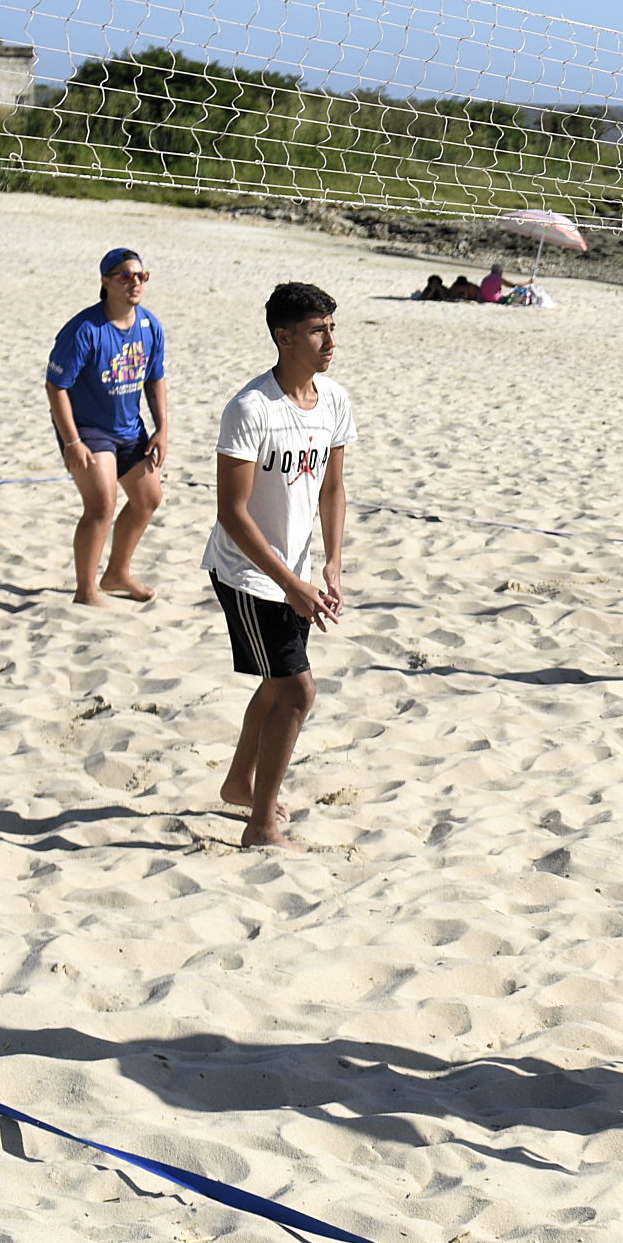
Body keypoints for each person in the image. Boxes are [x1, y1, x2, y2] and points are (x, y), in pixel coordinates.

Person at [204, 282, 356, 851]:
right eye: (318, 331)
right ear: (283, 337)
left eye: (332, 328)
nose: (329, 341)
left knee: (276, 685)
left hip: (295, 569)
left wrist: (333, 564)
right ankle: (261, 826)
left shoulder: (334, 400)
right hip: (247, 572)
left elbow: (333, 488)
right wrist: (291, 584)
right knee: (297, 693)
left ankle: (241, 784)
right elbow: (233, 514)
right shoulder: (250, 408)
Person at [45, 246, 170, 607]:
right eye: (125, 276)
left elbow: (155, 379)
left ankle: (116, 573)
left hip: (129, 428)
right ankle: (86, 591)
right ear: (106, 282)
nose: (135, 283)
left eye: (141, 276)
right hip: (87, 429)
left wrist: (162, 428)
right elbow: (56, 386)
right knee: (102, 504)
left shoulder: (149, 325)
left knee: (148, 498)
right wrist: (72, 441)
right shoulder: (84, 329)